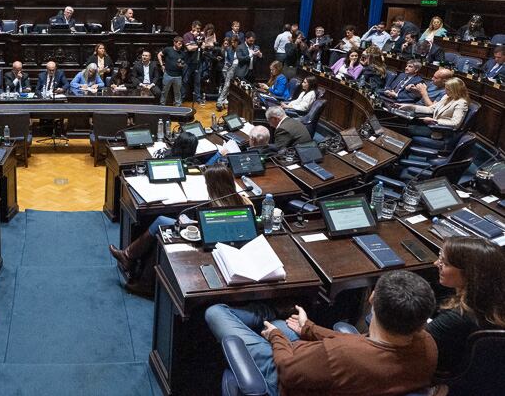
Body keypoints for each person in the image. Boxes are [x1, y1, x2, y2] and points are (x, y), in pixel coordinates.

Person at [204, 270, 437, 396]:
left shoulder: (339, 354)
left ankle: (268, 313)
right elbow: (359, 344)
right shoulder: (427, 344)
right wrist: (309, 328)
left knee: (216, 312)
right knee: (283, 324)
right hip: (328, 372)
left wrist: (276, 338)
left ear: (372, 298)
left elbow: (288, 371)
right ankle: (272, 314)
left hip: (283, 378)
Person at [108, 165, 245, 297]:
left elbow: (212, 233)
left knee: (161, 230)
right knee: (161, 225)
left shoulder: (216, 208)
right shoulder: (242, 200)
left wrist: (190, 224)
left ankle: (133, 264)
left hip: (208, 246)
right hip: (212, 238)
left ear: (214, 186)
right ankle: (131, 261)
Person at [428, 237, 505, 374]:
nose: (436, 263)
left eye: (445, 263)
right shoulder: (495, 300)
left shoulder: (455, 319)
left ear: (470, 273)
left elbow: (412, 345)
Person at [398, 77, 470, 137]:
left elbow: (455, 123)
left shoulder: (461, 103)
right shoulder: (446, 97)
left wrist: (435, 121)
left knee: (405, 128)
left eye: (448, 89)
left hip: (440, 131)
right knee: (402, 124)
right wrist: (410, 107)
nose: (445, 91)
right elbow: (431, 109)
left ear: (455, 90)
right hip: (432, 126)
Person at [216, 35, 249, 111]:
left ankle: (240, 105)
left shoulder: (241, 48)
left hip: (241, 69)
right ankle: (220, 102)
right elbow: (228, 61)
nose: (233, 44)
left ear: (237, 42)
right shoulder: (229, 49)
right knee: (227, 85)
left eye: (234, 42)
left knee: (239, 86)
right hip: (232, 68)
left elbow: (245, 58)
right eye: (232, 42)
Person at [158, 36, 186, 106]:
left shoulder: (182, 53)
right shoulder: (168, 49)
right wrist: (162, 65)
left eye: (181, 44)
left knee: (177, 92)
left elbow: (184, 63)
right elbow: (159, 54)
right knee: (164, 91)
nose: (180, 45)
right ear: (174, 43)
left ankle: (178, 105)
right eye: (179, 44)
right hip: (168, 74)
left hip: (178, 75)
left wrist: (182, 65)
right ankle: (162, 105)